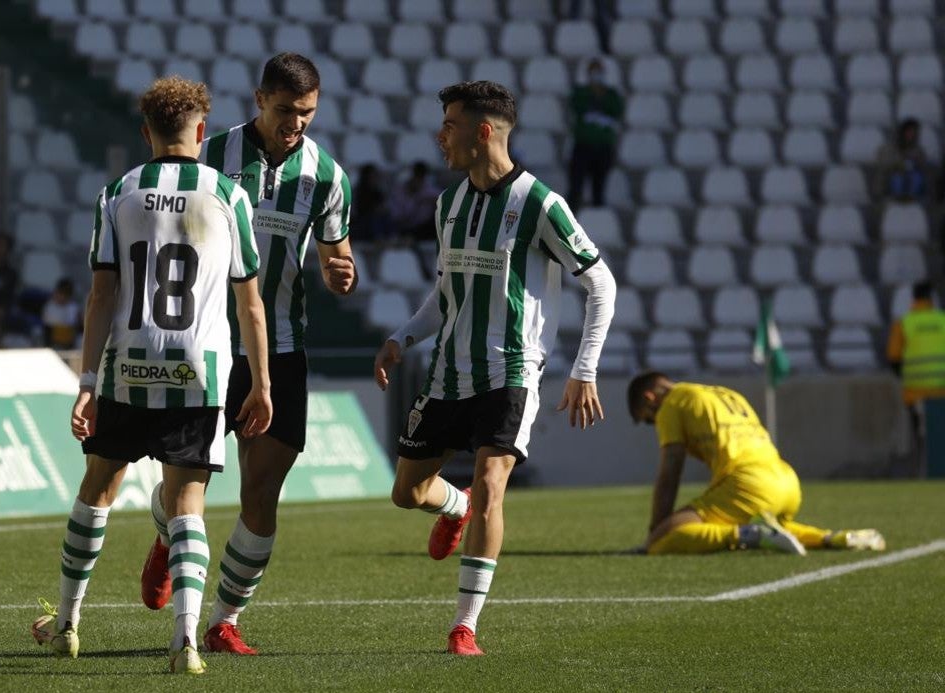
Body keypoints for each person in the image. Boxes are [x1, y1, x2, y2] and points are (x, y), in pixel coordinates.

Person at [29, 76, 271, 676]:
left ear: (146, 133)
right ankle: (185, 640)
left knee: (97, 489)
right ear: (202, 131)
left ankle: (66, 623)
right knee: (186, 501)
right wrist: (262, 382)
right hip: (199, 371)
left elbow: (100, 295)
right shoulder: (227, 195)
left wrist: (86, 382)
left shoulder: (118, 191)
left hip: (126, 368)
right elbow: (251, 303)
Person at [373, 81, 616, 656]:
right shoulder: (448, 203)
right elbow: (445, 292)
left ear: (483, 131)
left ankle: (465, 626)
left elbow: (600, 283)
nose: (440, 137)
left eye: (450, 125)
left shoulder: (540, 204)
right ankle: (451, 507)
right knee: (407, 494)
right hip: (446, 375)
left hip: (512, 371)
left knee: (490, 486)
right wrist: (401, 336)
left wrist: (585, 368)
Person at [137, 52, 357, 657]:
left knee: (263, 490)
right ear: (260, 99)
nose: (296, 124)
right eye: (286, 110)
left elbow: (337, 253)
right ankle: (166, 538)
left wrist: (342, 272)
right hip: (206, 343)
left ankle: (223, 619)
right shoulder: (211, 156)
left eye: (307, 113)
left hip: (282, 348)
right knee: (188, 486)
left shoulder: (327, 177)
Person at [626, 372, 887, 555]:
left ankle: (749, 535)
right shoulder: (725, 394)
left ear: (650, 399)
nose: (654, 424)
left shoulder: (672, 404)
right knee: (778, 528)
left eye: (648, 420)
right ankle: (833, 538)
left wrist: (656, 530)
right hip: (785, 480)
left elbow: (671, 469)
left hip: (748, 483)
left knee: (663, 540)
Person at [886, 281, 945, 471]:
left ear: (913, 299)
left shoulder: (904, 323)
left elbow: (894, 358)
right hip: (942, 390)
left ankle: (922, 470)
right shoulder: (942, 320)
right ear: (932, 300)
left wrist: (908, 377)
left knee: (921, 437)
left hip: (915, 393)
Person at [566, 58, 623, 208]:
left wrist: (601, 98)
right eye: (593, 71)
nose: (596, 75)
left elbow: (616, 110)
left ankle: (598, 218)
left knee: (599, 187)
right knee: (576, 186)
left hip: (603, 148)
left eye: (599, 71)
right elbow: (577, 106)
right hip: (583, 146)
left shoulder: (611, 94)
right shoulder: (580, 92)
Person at [875, 118, 932, 202]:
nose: (911, 135)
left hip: (911, 176)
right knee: (897, 179)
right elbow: (883, 165)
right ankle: (898, 199)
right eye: (909, 132)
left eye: (914, 132)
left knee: (917, 178)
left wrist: (916, 161)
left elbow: (923, 166)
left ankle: (912, 199)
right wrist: (899, 164)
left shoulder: (918, 150)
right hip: (892, 177)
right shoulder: (888, 148)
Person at [387, 160, 442, 242]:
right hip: (402, 226)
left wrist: (433, 201)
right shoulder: (398, 192)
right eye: (416, 177)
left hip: (424, 228)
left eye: (420, 178)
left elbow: (443, 199)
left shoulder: (429, 190)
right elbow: (397, 215)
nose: (417, 181)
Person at [40, 277, 81, 350]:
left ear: (69, 296)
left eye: (65, 295)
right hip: (51, 341)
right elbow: (47, 325)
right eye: (60, 294)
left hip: (68, 343)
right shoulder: (49, 306)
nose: (61, 297)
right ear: (56, 293)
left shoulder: (73, 308)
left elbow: (74, 326)